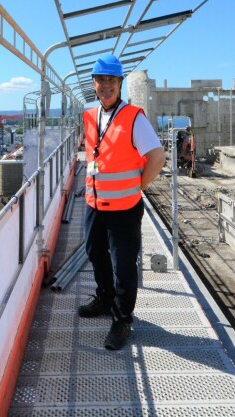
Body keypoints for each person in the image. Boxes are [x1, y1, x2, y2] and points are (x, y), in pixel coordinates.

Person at [79, 54, 165, 350]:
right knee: (95, 253)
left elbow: (157, 157)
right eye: (101, 80)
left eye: (111, 80)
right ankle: (105, 299)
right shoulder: (91, 116)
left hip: (124, 209)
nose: (106, 86)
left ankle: (122, 320)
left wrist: (138, 185)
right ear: (94, 83)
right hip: (95, 204)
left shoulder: (133, 118)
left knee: (124, 266)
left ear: (120, 83)